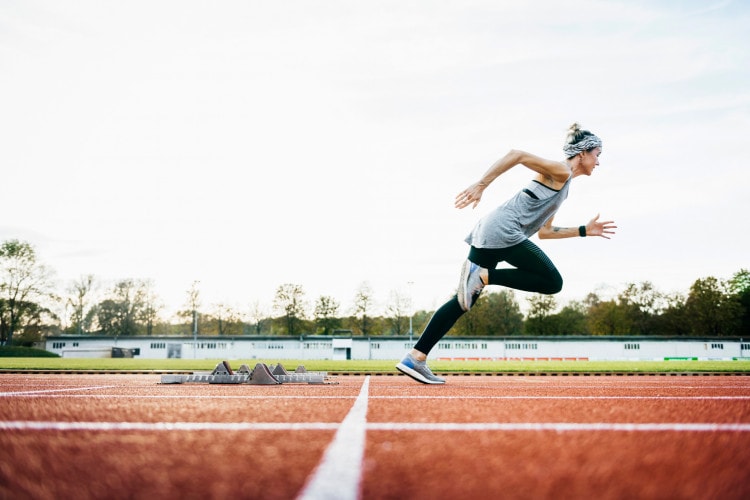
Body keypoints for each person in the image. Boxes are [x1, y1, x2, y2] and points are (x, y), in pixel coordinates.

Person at [396, 123, 616, 384]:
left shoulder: (564, 186)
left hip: (494, 232)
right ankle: (485, 276)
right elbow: (517, 154)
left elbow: (545, 232)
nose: (598, 162)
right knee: (552, 281)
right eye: (597, 155)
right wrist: (481, 185)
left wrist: (582, 230)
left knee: (462, 301)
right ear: (582, 153)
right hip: (504, 231)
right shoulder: (561, 170)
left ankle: (415, 357)